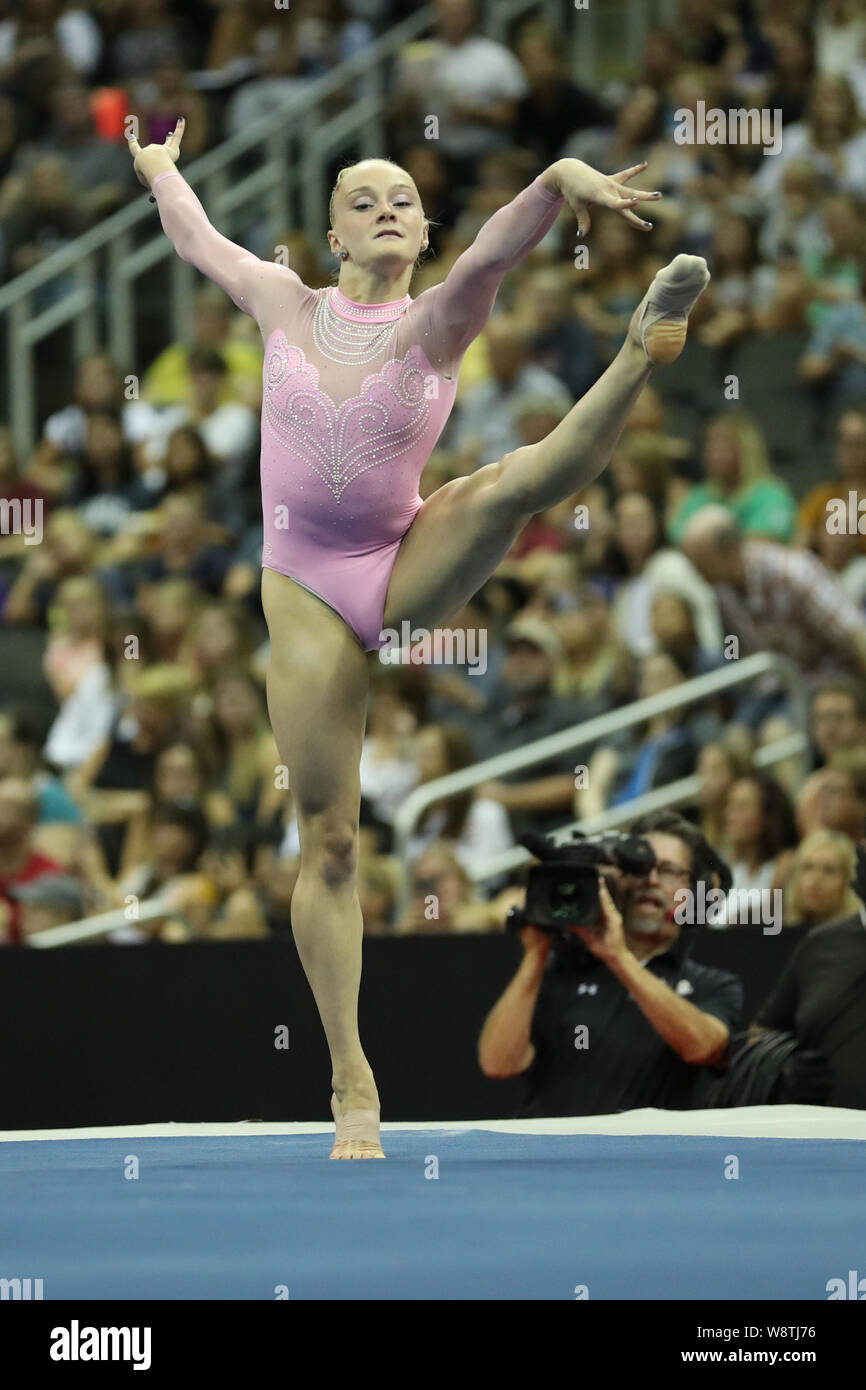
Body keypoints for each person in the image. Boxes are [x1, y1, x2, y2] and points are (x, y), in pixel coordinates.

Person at [128, 115, 710, 1158]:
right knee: (333, 836)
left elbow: (492, 247)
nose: (388, 208)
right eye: (364, 199)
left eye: (403, 198)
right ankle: (352, 1078)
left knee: (513, 484)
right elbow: (197, 241)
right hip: (303, 582)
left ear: (421, 230)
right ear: (332, 235)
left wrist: (553, 181)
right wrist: (163, 168)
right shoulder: (281, 300)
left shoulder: (441, 319)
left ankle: (634, 352)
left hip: (399, 557)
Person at [478, 811, 743, 1117]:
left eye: (668, 870)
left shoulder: (712, 985)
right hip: (549, 1158)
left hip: (642, 1160)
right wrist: (536, 954)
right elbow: (497, 1063)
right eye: (638, 868)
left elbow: (704, 1047)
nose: (651, 880)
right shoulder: (560, 971)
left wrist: (618, 957)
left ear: (696, 889)